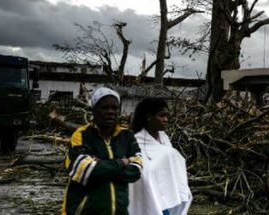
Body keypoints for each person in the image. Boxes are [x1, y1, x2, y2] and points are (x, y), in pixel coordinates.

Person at [62, 87, 143, 215]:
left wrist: (100, 166)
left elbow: (136, 170)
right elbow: (84, 170)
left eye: (115, 108)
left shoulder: (127, 136)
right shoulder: (82, 135)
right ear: (94, 110)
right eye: (105, 108)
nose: (111, 112)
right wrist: (122, 163)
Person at [128, 97, 192, 215]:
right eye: (162, 116)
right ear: (149, 117)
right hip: (147, 197)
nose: (166, 119)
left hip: (166, 198)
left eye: (167, 116)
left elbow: (170, 167)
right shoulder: (136, 142)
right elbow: (142, 173)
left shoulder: (164, 138)